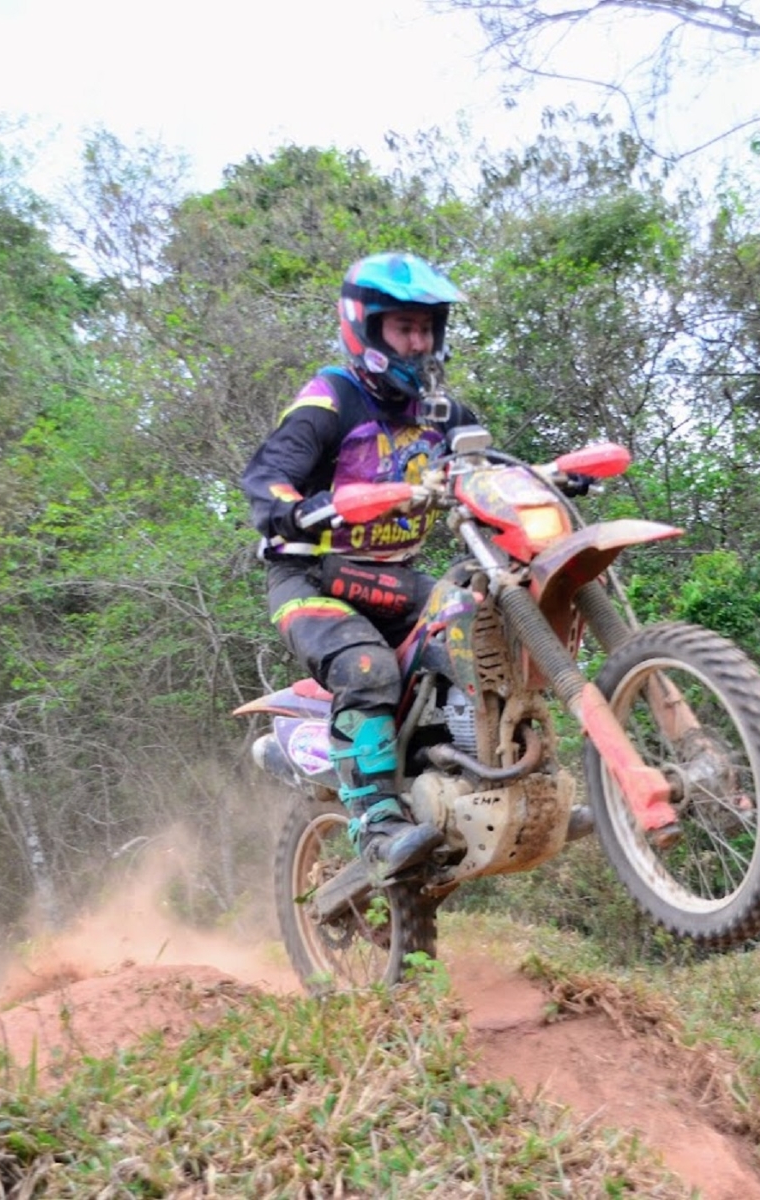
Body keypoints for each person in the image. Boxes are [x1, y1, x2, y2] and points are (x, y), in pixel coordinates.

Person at [241, 252, 478, 882]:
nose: (419, 342)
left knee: (483, 625)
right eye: (403, 328)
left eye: (427, 328)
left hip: (391, 579)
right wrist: (296, 509)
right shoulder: (330, 400)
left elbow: (491, 469)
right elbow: (267, 478)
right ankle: (377, 826)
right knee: (366, 668)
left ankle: (472, 770)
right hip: (312, 578)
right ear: (366, 330)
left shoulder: (443, 413)